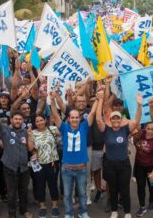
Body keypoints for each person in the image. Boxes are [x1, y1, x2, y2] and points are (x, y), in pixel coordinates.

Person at [49, 89, 98, 218]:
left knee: (82, 193)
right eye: (72, 117)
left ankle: (83, 212)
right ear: (69, 119)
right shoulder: (64, 128)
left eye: (77, 117)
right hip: (67, 169)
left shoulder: (84, 127)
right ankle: (69, 213)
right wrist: (53, 100)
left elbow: (92, 112)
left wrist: (99, 99)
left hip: (81, 168)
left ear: (80, 118)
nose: (75, 119)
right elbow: (55, 115)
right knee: (67, 194)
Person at [96, 91, 142, 218]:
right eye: (113, 118)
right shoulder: (106, 129)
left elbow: (137, 119)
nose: (116, 119)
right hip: (110, 164)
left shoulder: (125, 129)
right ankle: (114, 211)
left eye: (118, 118)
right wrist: (100, 100)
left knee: (125, 189)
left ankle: (127, 212)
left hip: (124, 164)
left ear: (121, 119)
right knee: (113, 188)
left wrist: (139, 105)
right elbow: (97, 119)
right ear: (110, 120)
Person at [0, 109, 33, 218]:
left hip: (23, 168)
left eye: (20, 119)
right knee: (11, 193)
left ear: (23, 120)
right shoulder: (5, 130)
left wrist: (30, 135)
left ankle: (24, 210)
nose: (18, 121)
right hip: (9, 167)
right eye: (16, 119)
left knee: (23, 191)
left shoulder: (26, 131)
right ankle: (12, 215)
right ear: (11, 120)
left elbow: (30, 148)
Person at [28, 115, 61, 218]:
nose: (39, 122)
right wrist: (29, 136)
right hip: (39, 164)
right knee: (40, 186)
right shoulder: (32, 133)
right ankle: (42, 207)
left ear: (45, 120)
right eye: (37, 121)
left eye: (41, 120)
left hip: (52, 163)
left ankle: (55, 207)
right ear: (35, 123)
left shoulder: (53, 129)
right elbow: (30, 148)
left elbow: (62, 139)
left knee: (53, 185)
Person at [133, 122, 153, 216]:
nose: (150, 131)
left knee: (151, 185)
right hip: (139, 167)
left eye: (152, 129)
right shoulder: (141, 134)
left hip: (151, 168)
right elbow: (134, 139)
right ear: (146, 128)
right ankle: (142, 207)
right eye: (148, 128)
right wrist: (138, 128)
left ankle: (151, 202)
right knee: (140, 186)